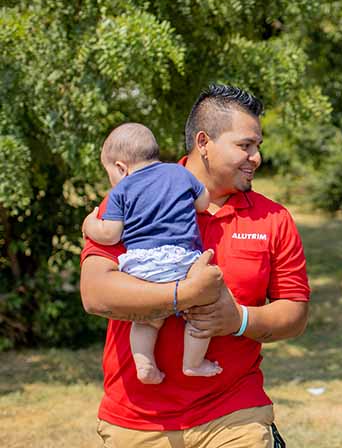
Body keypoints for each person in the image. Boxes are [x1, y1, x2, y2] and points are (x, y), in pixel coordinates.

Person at [80, 84, 310, 447]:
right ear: (203, 142)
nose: (256, 157)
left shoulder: (275, 219)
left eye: (258, 147)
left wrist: (239, 320)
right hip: (135, 420)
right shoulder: (133, 196)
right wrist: (182, 295)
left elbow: (294, 313)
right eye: (244, 146)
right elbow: (95, 294)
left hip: (234, 414)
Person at [82, 122, 219, 384]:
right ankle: (192, 363)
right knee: (202, 312)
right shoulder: (179, 173)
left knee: (146, 321)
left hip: (142, 265)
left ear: (121, 168)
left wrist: (89, 225)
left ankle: (145, 365)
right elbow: (203, 202)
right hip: (183, 259)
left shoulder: (120, 190)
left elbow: (111, 234)